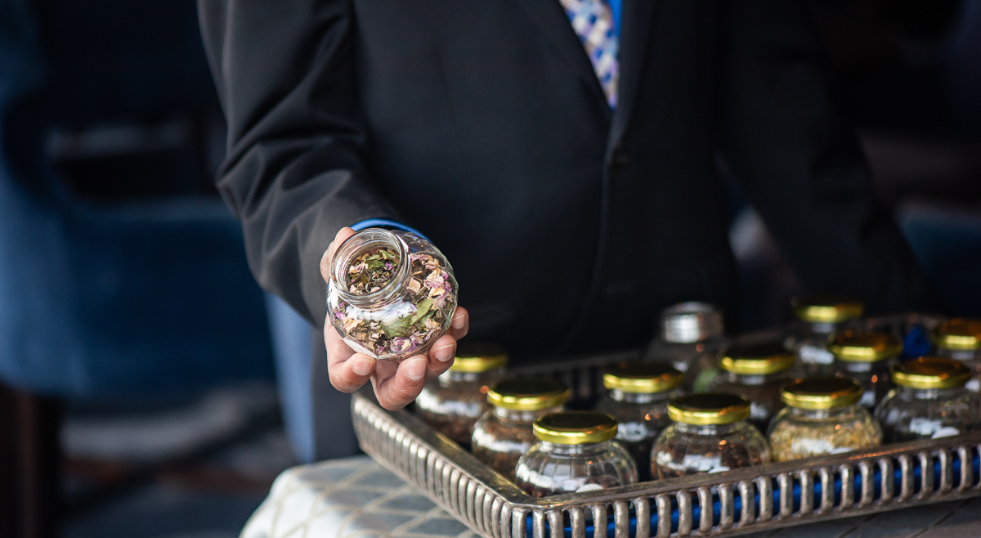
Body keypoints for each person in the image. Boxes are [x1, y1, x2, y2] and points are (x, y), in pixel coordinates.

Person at [198, 0, 939, 420]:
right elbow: (281, 148)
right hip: (436, 402)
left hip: (684, 390)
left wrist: (921, 345)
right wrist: (365, 261)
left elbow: (786, 122)